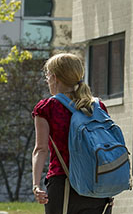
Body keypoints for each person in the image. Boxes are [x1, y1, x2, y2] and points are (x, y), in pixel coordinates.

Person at [31, 53, 113, 214]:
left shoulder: (47, 107)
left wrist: (36, 185)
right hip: (97, 185)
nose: (47, 80)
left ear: (55, 78)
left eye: (47, 76)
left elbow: (40, 149)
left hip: (64, 184)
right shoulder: (97, 106)